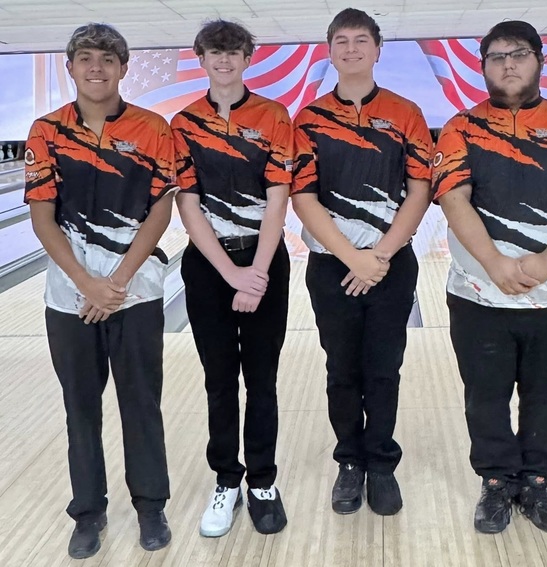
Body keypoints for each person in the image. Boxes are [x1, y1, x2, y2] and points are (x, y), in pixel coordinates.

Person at [433, 20, 547, 535]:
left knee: (545, 394)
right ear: (484, 66)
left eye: (519, 54)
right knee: (484, 395)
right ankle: (494, 482)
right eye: (497, 56)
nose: (508, 64)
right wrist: (494, 263)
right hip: (478, 294)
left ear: (539, 61)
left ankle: (536, 482)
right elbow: (453, 198)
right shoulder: (461, 127)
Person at [24, 23, 174, 559]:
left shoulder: (153, 128)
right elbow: (42, 218)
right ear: (70, 68)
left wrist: (117, 282)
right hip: (69, 298)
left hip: (136, 292)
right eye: (85, 58)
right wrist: (86, 282)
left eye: (107, 59)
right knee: (80, 408)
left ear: (123, 68)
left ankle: (151, 506)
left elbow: (161, 210)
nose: (96, 67)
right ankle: (88, 512)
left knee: (141, 404)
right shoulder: (46, 131)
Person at [291, 8, 432, 516]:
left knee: (384, 369)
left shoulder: (406, 112)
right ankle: (349, 461)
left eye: (360, 40)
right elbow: (302, 196)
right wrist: (352, 256)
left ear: (377, 50)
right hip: (332, 266)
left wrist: (381, 255)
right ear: (330, 51)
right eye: (342, 41)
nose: (351, 49)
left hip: (391, 264)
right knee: (342, 369)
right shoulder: (308, 119)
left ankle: (381, 464)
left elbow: (420, 189)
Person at [171, 20, 292, 537]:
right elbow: (188, 204)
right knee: (219, 381)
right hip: (208, 267)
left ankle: (262, 481)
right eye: (215, 52)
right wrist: (231, 274)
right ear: (201, 58)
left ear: (247, 58)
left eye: (234, 52)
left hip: (264, 261)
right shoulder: (182, 123)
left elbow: (278, 199)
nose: (224, 60)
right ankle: (226, 479)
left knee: (262, 380)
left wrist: (256, 274)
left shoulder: (274, 115)